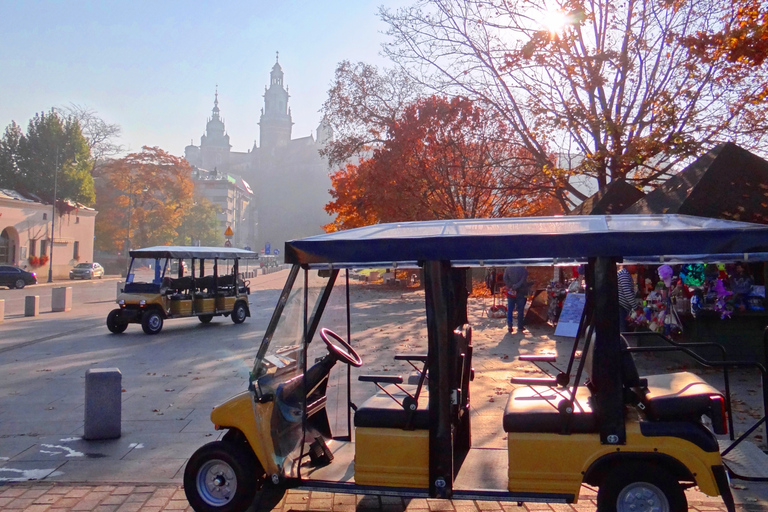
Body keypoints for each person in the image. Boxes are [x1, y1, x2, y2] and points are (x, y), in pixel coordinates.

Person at [503, 266, 530, 333]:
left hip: (511, 291)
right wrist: (517, 285)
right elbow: (523, 279)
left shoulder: (508, 268)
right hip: (521, 291)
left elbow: (505, 278)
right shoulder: (523, 269)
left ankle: (510, 325)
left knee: (510, 309)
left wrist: (511, 285)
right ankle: (520, 326)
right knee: (520, 310)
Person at [618, 265, 639, 332]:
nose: (636, 267)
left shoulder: (626, 274)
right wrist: (636, 308)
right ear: (629, 265)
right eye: (635, 265)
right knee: (622, 332)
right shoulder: (624, 274)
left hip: (623, 307)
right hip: (620, 307)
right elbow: (627, 293)